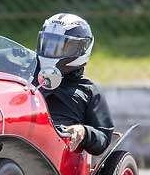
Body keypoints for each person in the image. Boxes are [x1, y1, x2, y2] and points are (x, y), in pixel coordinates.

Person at [35, 13, 114, 155]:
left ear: (80, 49)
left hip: (57, 153)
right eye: (48, 44)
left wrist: (83, 131)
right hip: (19, 137)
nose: (51, 51)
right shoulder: (27, 72)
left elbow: (103, 138)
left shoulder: (88, 90)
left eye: (60, 46)